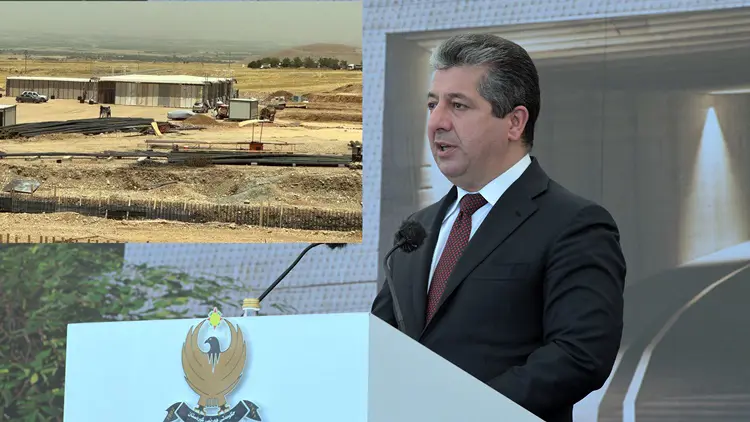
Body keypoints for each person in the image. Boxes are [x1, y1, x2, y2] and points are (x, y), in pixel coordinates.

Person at [371, 33, 626, 422]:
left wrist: (465, 411)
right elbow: (380, 343)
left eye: (458, 105)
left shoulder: (573, 224)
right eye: (432, 104)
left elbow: (579, 354)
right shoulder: (417, 230)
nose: (437, 122)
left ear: (514, 122)